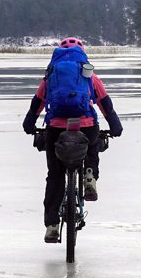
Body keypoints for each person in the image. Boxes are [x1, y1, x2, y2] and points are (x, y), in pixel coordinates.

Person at [23, 37, 123, 243]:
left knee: (55, 175)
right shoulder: (89, 74)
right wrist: (115, 126)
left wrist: (28, 124)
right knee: (92, 145)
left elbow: (37, 103)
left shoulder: (50, 76)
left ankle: (52, 225)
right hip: (85, 124)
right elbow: (105, 103)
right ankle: (89, 175)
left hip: (56, 127)